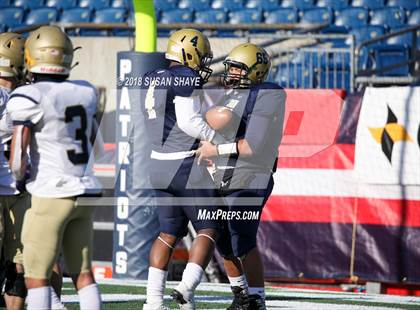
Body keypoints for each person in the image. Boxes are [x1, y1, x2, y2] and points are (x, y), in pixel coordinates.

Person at [7, 26, 103, 310]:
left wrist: (20, 179)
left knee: (36, 278)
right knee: (84, 275)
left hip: (52, 194)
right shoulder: (85, 91)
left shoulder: (28, 95)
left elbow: (17, 158)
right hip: (85, 191)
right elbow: (94, 145)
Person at [197, 43, 286, 310]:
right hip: (226, 173)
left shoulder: (268, 94)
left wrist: (216, 148)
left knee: (242, 236)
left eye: (238, 67)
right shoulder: (232, 95)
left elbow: (251, 146)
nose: (232, 72)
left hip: (252, 174)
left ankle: (257, 299)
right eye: (231, 67)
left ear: (255, 71)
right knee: (223, 239)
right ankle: (241, 295)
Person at [142, 28, 222, 310]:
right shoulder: (185, 77)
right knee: (209, 228)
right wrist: (215, 138)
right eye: (200, 54)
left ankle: (153, 302)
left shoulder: (153, 76)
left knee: (167, 234)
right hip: (184, 162)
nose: (203, 61)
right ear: (189, 52)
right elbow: (188, 122)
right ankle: (186, 288)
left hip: (158, 163)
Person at [0, 31, 29, 310]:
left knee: (19, 267)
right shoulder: (21, 96)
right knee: (15, 265)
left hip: (20, 188)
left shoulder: (26, 94)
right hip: (11, 187)